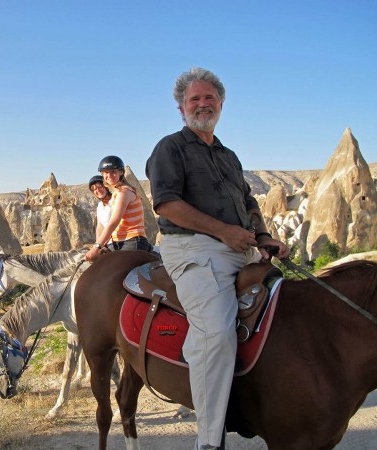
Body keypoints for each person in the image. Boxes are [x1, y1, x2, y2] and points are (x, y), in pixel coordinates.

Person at [145, 67, 289, 450]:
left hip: (240, 247)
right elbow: (167, 203)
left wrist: (263, 237)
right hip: (193, 249)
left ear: (221, 104)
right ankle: (209, 441)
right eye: (195, 99)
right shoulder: (169, 148)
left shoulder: (228, 155)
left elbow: (247, 202)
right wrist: (223, 232)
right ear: (181, 108)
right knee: (216, 331)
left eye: (209, 98)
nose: (202, 104)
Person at [85, 155, 153, 262]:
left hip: (132, 241)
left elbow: (114, 222)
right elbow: (101, 225)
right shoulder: (117, 192)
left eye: (113, 172)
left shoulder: (124, 192)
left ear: (121, 172)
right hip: (118, 242)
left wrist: (96, 247)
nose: (109, 175)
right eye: (106, 172)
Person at [88, 175, 113, 247]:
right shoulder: (100, 206)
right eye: (95, 189)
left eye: (100, 187)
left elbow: (113, 224)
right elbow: (100, 226)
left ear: (106, 187)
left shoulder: (114, 201)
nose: (98, 190)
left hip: (118, 241)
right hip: (107, 242)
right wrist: (97, 245)